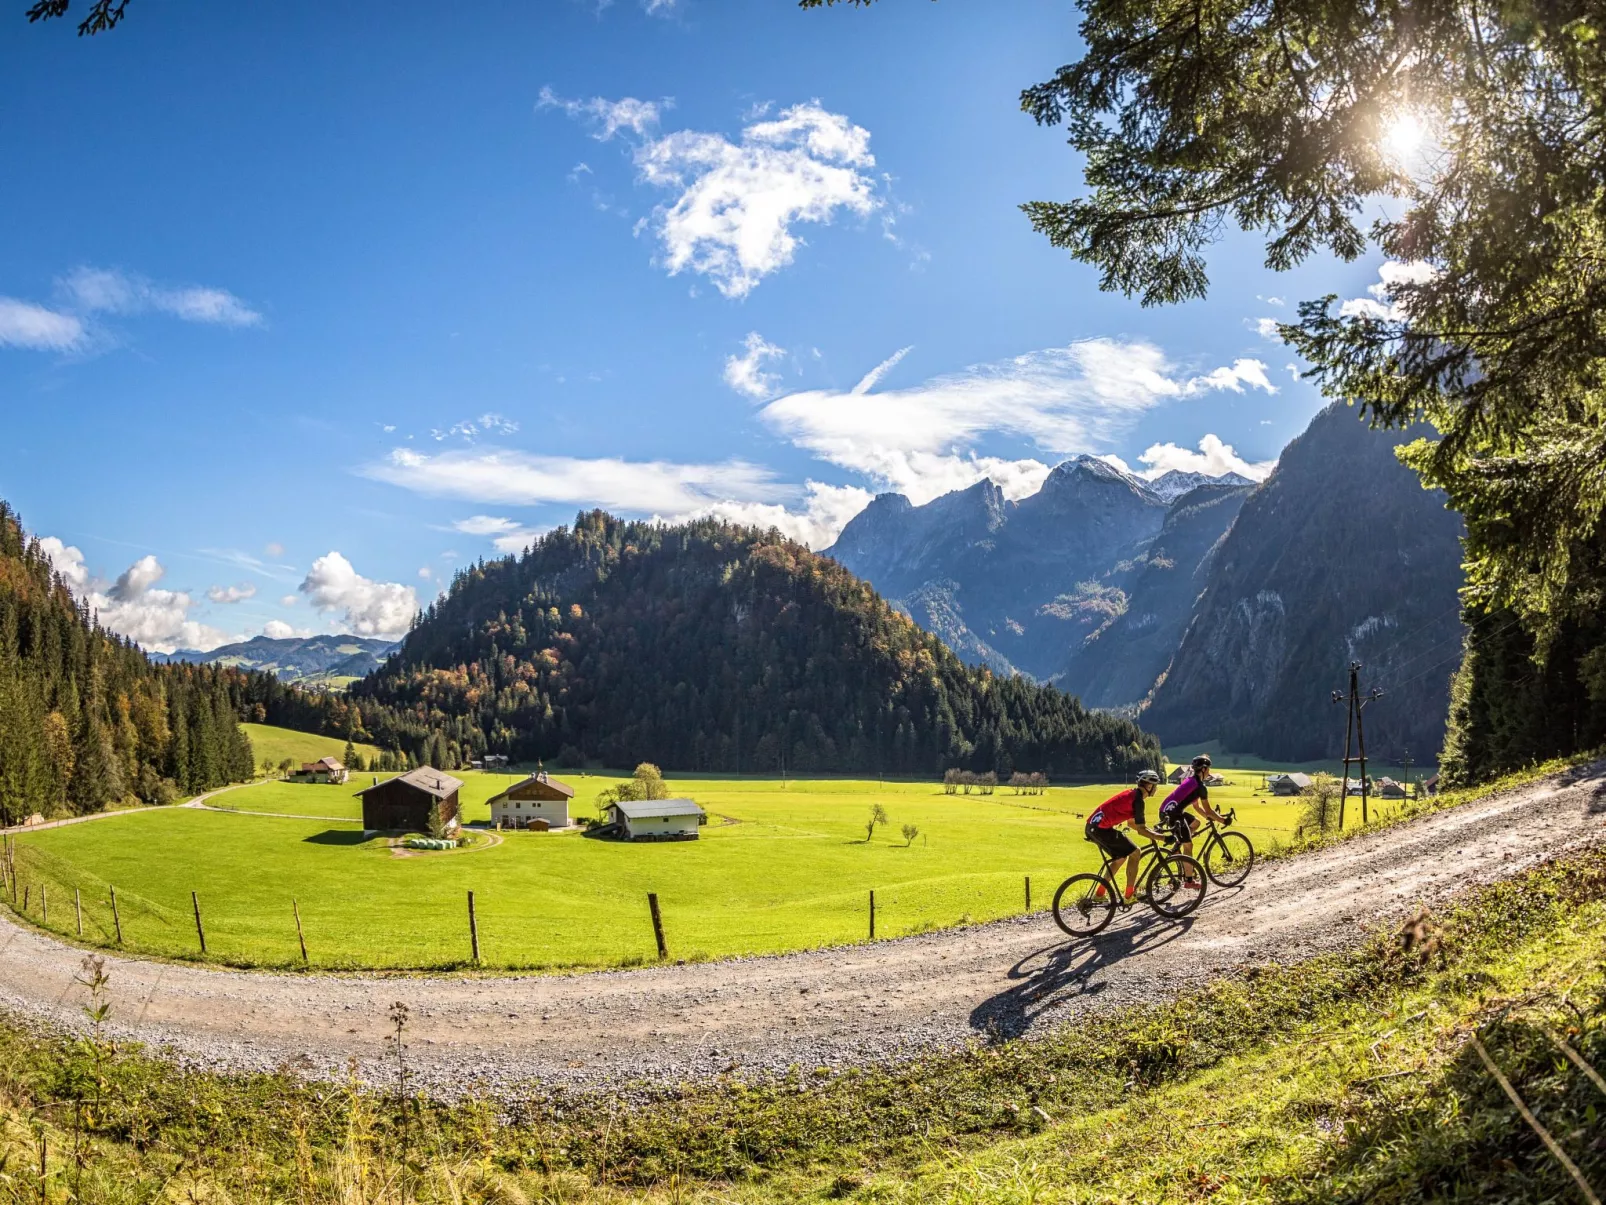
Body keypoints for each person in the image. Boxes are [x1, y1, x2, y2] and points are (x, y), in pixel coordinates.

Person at [1085, 769, 1165, 900]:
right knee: (1136, 852)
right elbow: (1140, 829)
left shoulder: (1132, 795)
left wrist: (1153, 833)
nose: (1156, 789)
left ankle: (1099, 894)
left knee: (1120, 858)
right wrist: (1162, 837)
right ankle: (1129, 895)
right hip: (1100, 829)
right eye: (1155, 786)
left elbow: (1132, 824)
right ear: (1149, 786)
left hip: (1093, 827)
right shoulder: (1138, 800)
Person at [1160, 754, 1229, 886]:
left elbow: (1197, 807)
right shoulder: (1200, 787)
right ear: (1203, 769)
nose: (1209, 771)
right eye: (1208, 768)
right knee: (1189, 845)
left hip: (1168, 810)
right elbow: (1208, 810)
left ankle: (1178, 846)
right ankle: (1189, 881)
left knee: (1196, 822)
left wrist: (1209, 818)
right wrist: (1223, 820)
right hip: (1173, 814)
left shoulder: (1190, 781)